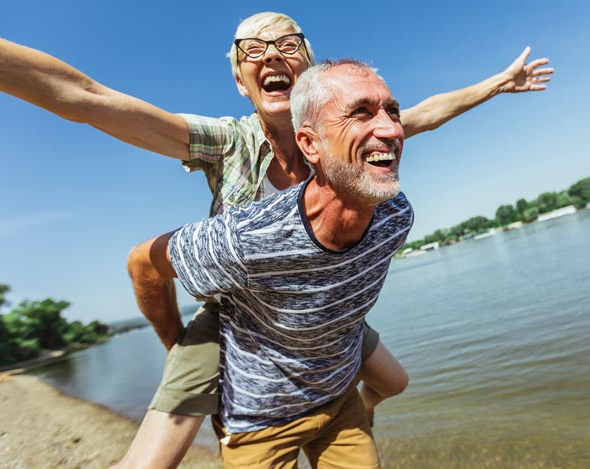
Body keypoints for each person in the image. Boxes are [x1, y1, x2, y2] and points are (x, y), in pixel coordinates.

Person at [0, 11, 552, 467]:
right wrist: (176, 343)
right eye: (253, 49)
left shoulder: (349, 128)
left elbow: (426, 111)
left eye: (287, 44)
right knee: (151, 458)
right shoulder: (224, 142)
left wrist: (497, 83)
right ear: (241, 79)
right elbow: (88, 98)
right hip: (236, 312)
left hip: (315, 306)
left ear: (309, 70)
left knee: (392, 382)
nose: (272, 55)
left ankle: (349, 414)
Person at [128, 58, 415, 468]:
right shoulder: (249, 237)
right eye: (361, 113)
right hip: (261, 422)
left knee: (395, 382)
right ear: (310, 144)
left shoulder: (396, 215)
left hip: (339, 403)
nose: (391, 129)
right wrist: (174, 343)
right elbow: (143, 262)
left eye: (393, 112)